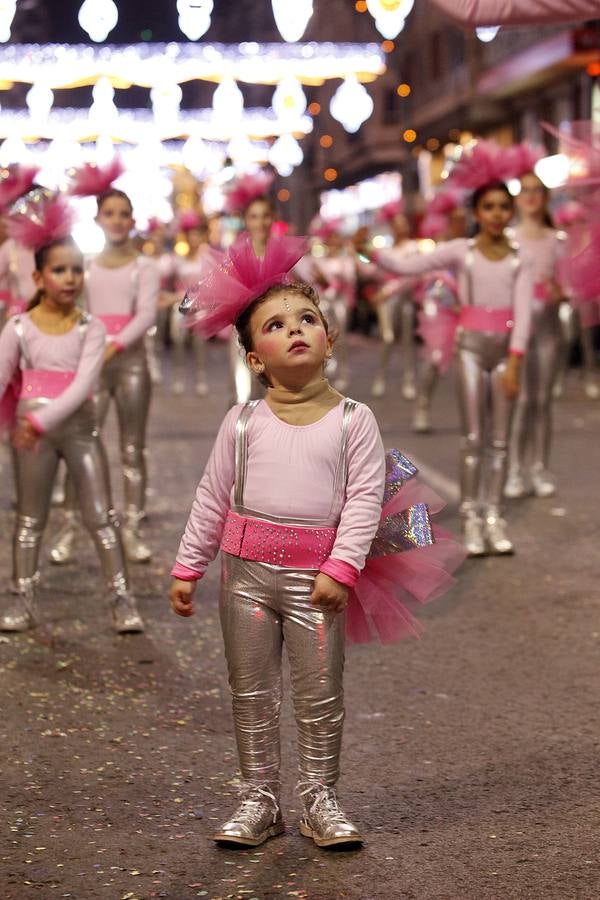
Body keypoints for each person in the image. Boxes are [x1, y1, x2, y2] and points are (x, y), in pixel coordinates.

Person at [170, 232, 464, 849]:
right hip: (244, 577)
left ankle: (318, 796)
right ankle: (258, 798)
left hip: (317, 582)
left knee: (320, 693)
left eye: (308, 318)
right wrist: (188, 566)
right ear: (255, 358)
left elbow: (363, 499)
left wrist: (343, 567)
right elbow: (211, 495)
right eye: (275, 325)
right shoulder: (242, 421)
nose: (296, 329)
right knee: (250, 691)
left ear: (329, 338)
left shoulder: (354, 418)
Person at [0, 191, 143, 633]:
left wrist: (39, 420)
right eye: (59, 270)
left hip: (75, 432)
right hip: (31, 438)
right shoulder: (19, 327)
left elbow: (84, 385)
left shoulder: (90, 327)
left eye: (77, 270)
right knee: (30, 519)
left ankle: (122, 599)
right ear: (39, 277)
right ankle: (23, 600)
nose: (70, 278)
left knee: (101, 516)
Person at [369, 178, 533, 556]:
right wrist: (371, 254)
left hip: (505, 353)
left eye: (502, 207)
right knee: (474, 438)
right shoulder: (463, 251)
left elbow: (523, 314)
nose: (496, 214)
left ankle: (494, 516)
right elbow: (409, 265)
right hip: (471, 350)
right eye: (488, 207)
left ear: (510, 212)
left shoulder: (519, 257)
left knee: (500, 441)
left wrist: (515, 363)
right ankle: (473, 518)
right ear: (477, 213)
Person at [49, 186, 159, 566]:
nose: (116, 220)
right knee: (80, 444)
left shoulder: (145, 267)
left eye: (123, 213)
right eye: (109, 213)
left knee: (132, 449)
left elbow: (145, 315)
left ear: (132, 220)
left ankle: (131, 528)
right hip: (91, 367)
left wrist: (110, 346)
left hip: (130, 366)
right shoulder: (87, 267)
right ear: (98, 219)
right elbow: (75, 310)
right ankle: (69, 526)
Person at [505, 172, 566, 499]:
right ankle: (514, 469)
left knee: (543, 401)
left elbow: (568, 282)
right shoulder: (509, 238)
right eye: (524, 190)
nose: (530, 196)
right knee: (523, 400)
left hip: (550, 329)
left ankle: (539, 468)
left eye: (536, 191)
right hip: (519, 331)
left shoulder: (558, 239)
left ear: (544, 198)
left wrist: (561, 290)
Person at [370, 203, 419, 400]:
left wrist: (388, 291)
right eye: (397, 224)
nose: (401, 227)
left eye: (403, 223)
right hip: (387, 302)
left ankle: (409, 380)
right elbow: (375, 273)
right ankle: (381, 376)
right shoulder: (387, 251)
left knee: (407, 341)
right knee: (387, 338)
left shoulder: (413, 248)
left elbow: (413, 276)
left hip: (404, 300)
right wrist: (360, 254)